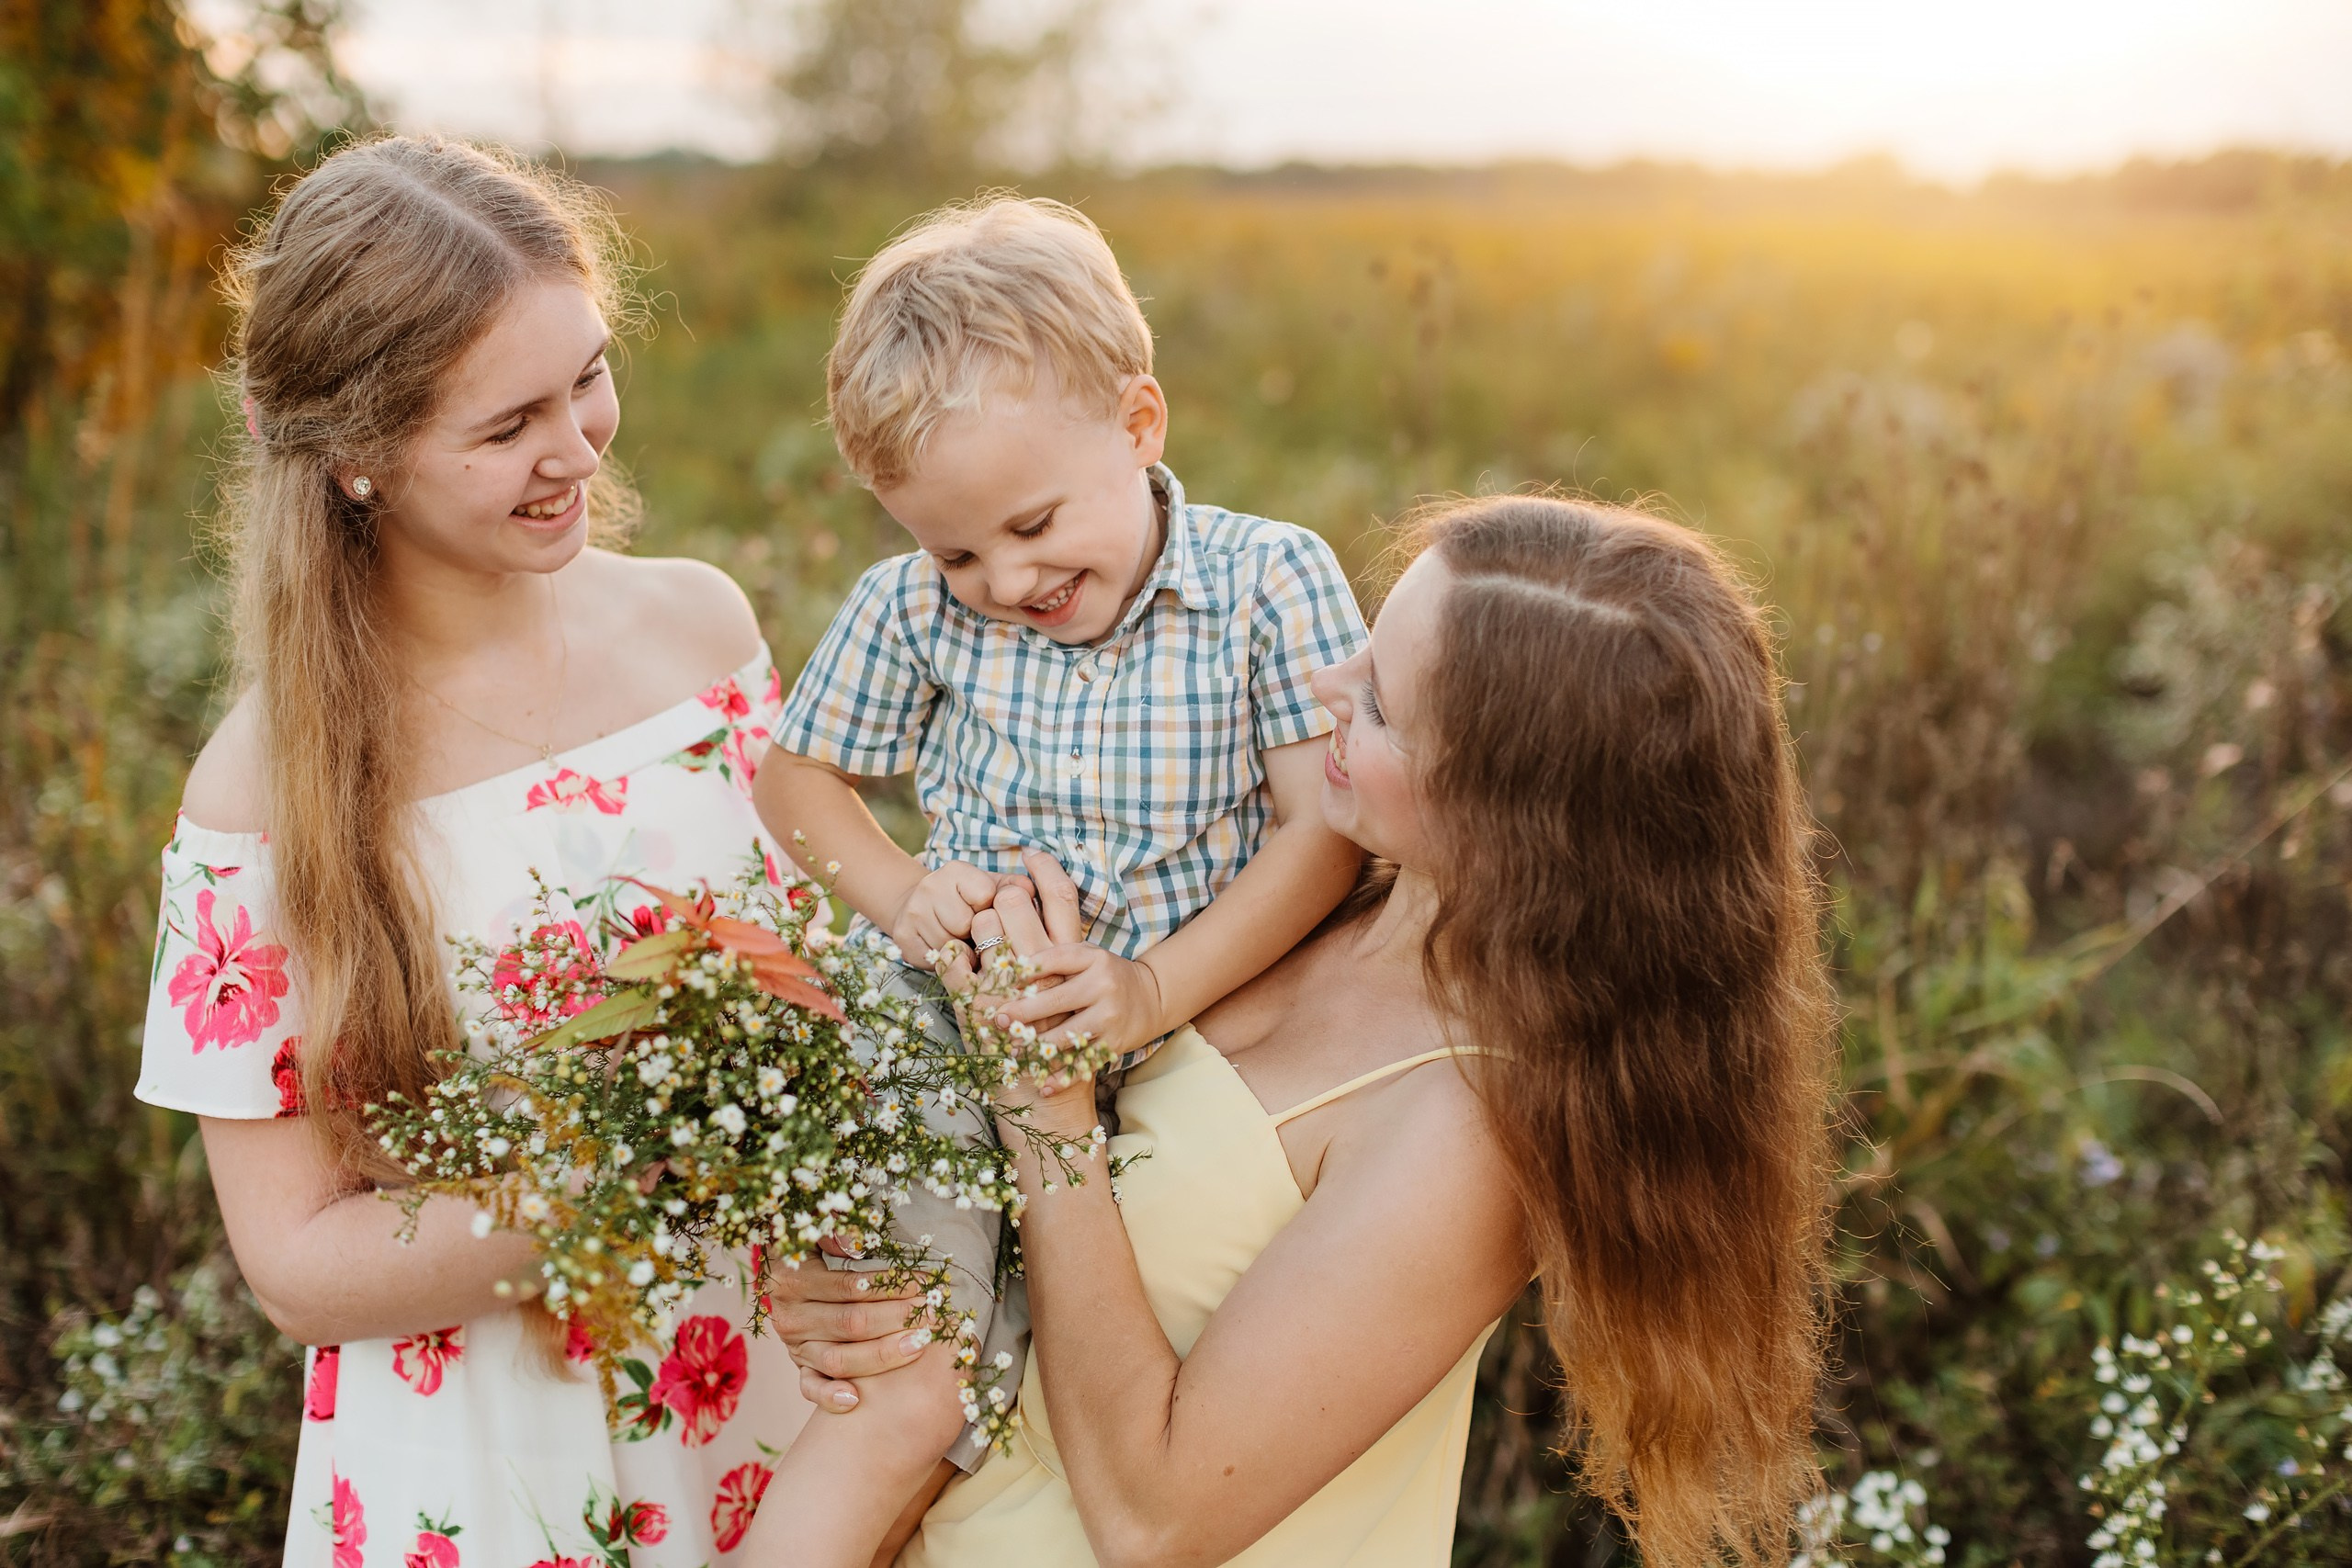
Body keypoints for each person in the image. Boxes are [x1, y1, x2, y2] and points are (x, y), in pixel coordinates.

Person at [764, 495, 1838, 1568]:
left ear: (1500, 808)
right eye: (1362, 650)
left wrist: (1042, 1114)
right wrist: (866, 1299)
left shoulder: (1472, 1125)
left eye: (1376, 705)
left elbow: (1155, 1521)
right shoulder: (1292, 895)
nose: (1325, 686)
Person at [136, 136, 807, 1565]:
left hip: (781, 1403)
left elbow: (818, 981)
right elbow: (299, 1266)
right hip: (498, 1462)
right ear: (358, 457)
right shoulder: (264, 789)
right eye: (507, 426)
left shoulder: (701, 630)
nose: (574, 447)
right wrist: (634, 1160)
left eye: (589, 377)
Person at [750, 197, 1369, 1561]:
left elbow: (1320, 832)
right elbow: (796, 781)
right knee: (907, 1372)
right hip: (953, 1026)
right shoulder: (911, 607)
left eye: (1031, 525)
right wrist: (905, 894)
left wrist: (1151, 987)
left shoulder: (1269, 581)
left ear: (1139, 425)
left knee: (1120, 1360)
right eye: (957, 548)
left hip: (1195, 1023)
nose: (1003, 579)